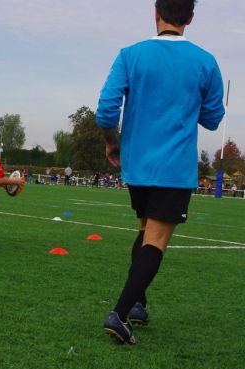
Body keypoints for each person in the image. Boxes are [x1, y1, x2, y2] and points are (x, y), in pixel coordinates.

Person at [96, 0, 225, 344]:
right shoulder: (205, 62)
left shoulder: (130, 54)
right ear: (191, 18)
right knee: (156, 241)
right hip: (173, 168)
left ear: (156, 12)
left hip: (136, 165)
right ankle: (120, 314)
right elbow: (213, 118)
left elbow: (107, 112)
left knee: (144, 233)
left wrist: (113, 143)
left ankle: (138, 305)